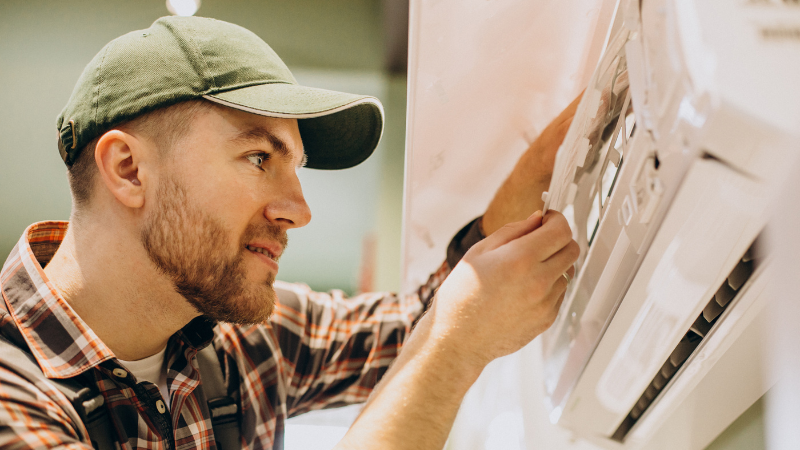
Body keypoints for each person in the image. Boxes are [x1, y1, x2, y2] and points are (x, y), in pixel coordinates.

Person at [0, 15, 579, 450]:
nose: (299, 212)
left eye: (294, 168)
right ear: (128, 170)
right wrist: (454, 353)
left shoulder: (242, 338)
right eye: (258, 158)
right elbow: (443, 336)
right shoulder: (14, 400)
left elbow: (423, 321)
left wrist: (537, 174)